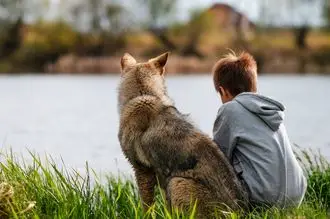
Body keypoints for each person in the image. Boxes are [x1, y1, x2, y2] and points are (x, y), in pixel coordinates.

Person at [212, 51, 307, 208]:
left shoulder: (230, 109)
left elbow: (218, 157)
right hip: (296, 195)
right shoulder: (269, 110)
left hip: (264, 198)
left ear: (223, 91)